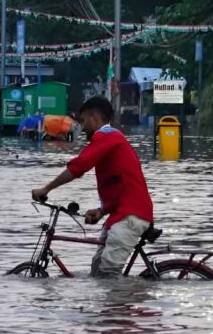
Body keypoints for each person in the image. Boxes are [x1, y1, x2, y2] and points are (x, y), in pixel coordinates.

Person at [31, 96, 154, 277]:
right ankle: (109, 303)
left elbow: (78, 167)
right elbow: (121, 186)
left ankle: (125, 303)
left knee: (108, 273)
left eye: (83, 121)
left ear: (94, 117)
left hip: (130, 216)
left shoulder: (107, 136)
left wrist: (46, 189)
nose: (82, 127)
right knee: (97, 270)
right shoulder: (111, 140)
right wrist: (102, 210)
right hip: (121, 214)